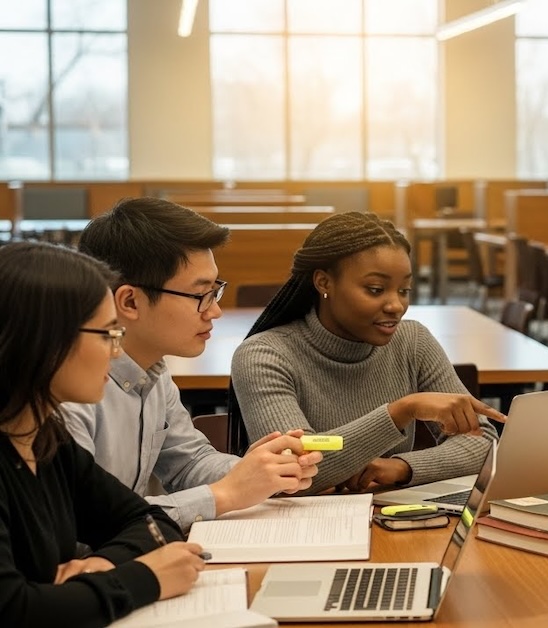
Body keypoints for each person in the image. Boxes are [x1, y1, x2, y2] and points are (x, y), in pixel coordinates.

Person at [61, 198, 321, 531]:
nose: (214, 311)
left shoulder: (152, 371)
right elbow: (78, 524)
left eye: (216, 291)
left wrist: (261, 471)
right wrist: (223, 495)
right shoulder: (68, 391)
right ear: (129, 301)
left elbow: (189, 463)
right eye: (200, 295)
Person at [0, 242, 208, 626]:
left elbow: (149, 522)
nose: (116, 353)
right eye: (108, 334)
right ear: (43, 340)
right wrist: (144, 578)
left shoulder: (45, 437)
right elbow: (14, 609)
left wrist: (101, 566)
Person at [229, 211, 504, 494]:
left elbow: (481, 443)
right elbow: (296, 467)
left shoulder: (413, 341)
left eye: (404, 290)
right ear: (324, 283)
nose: (396, 305)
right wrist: (399, 412)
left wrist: (402, 467)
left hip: (387, 518)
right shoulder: (264, 356)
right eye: (375, 289)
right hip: (300, 529)